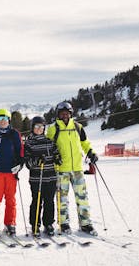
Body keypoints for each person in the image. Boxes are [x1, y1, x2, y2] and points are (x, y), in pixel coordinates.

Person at [46, 101, 98, 235]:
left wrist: (91, 152)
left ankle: (85, 223)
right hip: (61, 169)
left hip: (77, 169)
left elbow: (85, 142)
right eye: (61, 113)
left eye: (67, 113)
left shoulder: (77, 127)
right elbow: (48, 146)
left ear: (70, 114)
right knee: (62, 198)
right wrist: (54, 156)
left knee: (82, 197)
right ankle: (64, 223)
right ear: (58, 115)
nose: (64, 115)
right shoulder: (53, 129)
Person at [0, 109, 24, 237]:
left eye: (5, 119)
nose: (3, 121)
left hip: (11, 172)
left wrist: (20, 164)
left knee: (10, 199)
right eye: (0, 119)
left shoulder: (14, 134)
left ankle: (10, 223)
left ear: (9, 121)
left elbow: (20, 151)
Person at [24, 116, 61, 237]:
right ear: (32, 128)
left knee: (49, 202)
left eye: (41, 127)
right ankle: (35, 224)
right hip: (37, 178)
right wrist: (38, 160)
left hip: (50, 177)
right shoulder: (29, 143)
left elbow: (56, 152)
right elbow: (28, 163)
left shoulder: (49, 141)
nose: (39, 129)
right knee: (37, 201)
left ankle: (48, 223)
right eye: (36, 127)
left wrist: (57, 158)